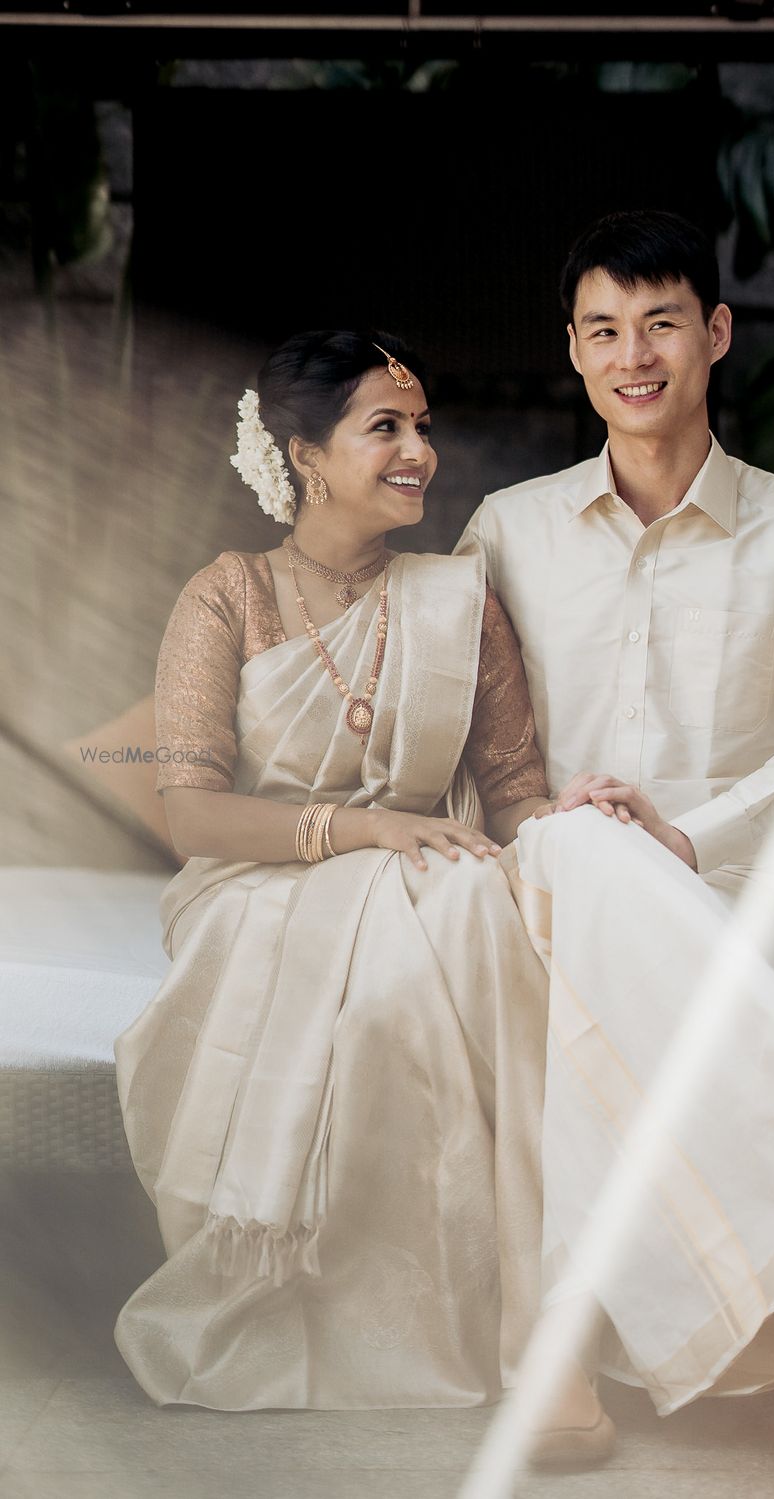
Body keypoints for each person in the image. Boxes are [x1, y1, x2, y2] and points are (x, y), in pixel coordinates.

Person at [456, 208, 774, 1462]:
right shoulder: (505, 528)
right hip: (554, 877)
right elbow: (464, 735)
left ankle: (555, 1355)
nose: (635, 354)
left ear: (713, 333)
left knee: (592, 904)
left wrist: (685, 832)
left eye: (661, 322)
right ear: (572, 350)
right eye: (604, 329)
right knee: (568, 861)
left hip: (736, 882)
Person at [113, 330, 554, 1410]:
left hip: (428, 877)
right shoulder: (227, 597)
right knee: (406, 931)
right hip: (256, 886)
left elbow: (517, 795)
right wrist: (362, 835)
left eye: (424, 428)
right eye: (386, 428)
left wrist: (575, 835)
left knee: (467, 921)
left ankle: (508, 1318)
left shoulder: (461, 602)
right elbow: (191, 816)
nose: (420, 453)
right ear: (303, 453)